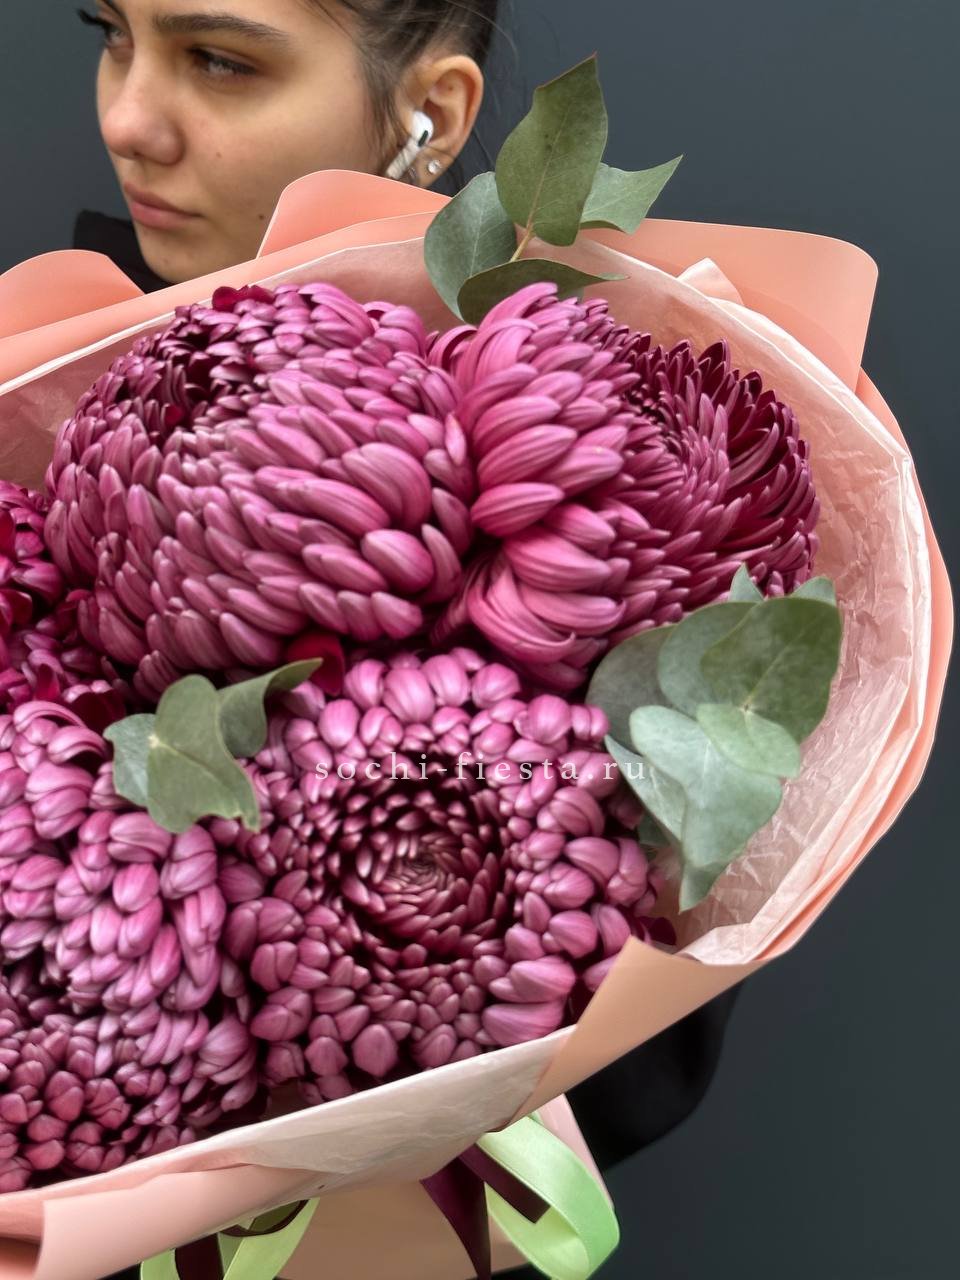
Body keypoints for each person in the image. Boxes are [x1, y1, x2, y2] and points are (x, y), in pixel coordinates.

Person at [70, 4, 738, 1277]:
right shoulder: (60, 400)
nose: (126, 119)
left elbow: (642, 1072)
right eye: (110, 33)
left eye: (219, 59)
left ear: (433, 110)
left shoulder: (596, 459)